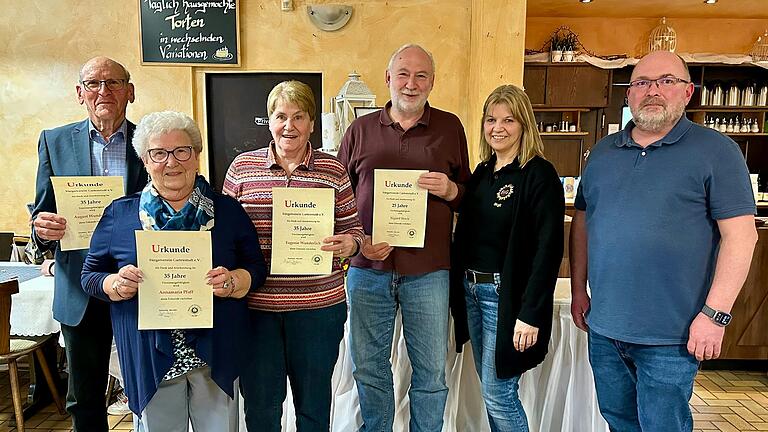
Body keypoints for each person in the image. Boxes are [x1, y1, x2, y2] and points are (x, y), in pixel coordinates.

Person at [570, 51, 758, 431]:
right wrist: (578, 290)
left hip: (672, 334)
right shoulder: (603, 152)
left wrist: (715, 315)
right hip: (605, 327)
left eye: (666, 81)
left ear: (687, 91)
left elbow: (741, 237)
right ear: (629, 95)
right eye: (641, 83)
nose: (652, 90)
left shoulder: (717, 151)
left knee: (662, 426)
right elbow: (583, 223)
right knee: (618, 421)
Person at [81, 111, 267, 431]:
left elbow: (256, 267)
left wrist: (236, 280)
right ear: (144, 159)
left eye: (182, 151)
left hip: (216, 353)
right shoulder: (120, 214)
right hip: (150, 352)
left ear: (196, 156)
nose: (172, 162)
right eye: (159, 153)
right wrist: (114, 283)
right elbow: (90, 275)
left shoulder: (229, 211)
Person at [338, 43, 471, 431]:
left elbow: (468, 194)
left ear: (432, 82)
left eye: (421, 76)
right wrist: (359, 240)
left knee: (430, 373)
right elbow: (339, 198)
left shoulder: (450, 128)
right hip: (367, 269)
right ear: (388, 79)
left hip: (429, 270)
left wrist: (450, 191)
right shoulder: (359, 130)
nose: (411, 84)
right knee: (369, 368)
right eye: (403, 74)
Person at [223, 80, 365, 431]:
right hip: (257, 310)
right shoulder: (242, 168)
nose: (290, 126)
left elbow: (356, 230)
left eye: (299, 117)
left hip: (318, 309)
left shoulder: (332, 171)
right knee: (260, 408)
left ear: (312, 123)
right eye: (281, 116)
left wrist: (351, 245)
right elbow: (221, 236)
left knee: (314, 407)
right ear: (269, 121)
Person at [31, 56, 147, 431]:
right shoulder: (55, 141)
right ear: (80, 93)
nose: (104, 91)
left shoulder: (151, 140)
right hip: (79, 288)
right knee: (85, 398)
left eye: (113, 83)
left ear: (130, 91)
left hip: (141, 284)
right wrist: (40, 229)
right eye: (94, 83)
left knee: (152, 389)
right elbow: (41, 215)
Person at [450, 84, 564, 431]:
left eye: (508, 120)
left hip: (505, 298)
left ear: (524, 124)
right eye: (490, 119)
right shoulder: (483, 173)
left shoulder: (539, 174)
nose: (497, 127)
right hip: (472, 291)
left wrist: (530, 314)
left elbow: (549, 250)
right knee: (491, 389)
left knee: (500, 393)